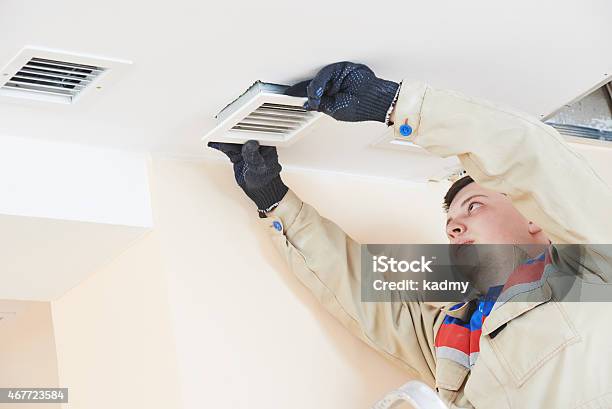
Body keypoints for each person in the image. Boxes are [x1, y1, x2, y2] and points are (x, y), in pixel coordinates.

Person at [208, 62, 612, 408]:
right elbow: (362, 293)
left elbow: (531, 162)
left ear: (533, 216)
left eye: (474, 206)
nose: (453, 228)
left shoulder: (593, 273)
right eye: (450, 223)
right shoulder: (454, 334)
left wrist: (393, 103)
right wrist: (275, 200)